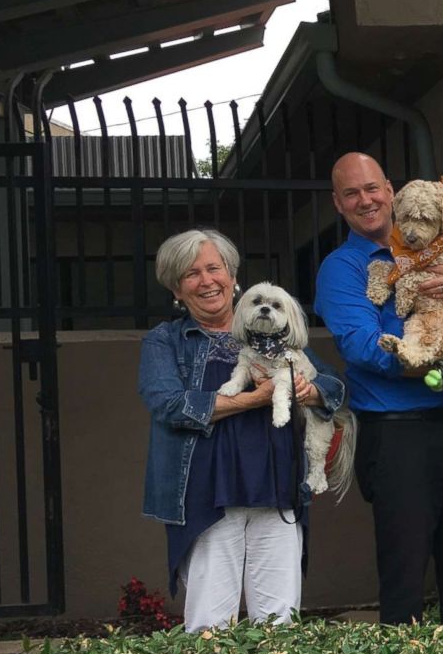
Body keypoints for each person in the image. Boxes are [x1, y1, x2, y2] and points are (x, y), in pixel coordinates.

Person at [313, 152, 443, 629]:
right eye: (352, 193)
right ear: (338, 204)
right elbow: (364, 348)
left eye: (373, 188)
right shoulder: (342, 268)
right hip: (395, 436)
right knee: (404, 580)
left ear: (391, 190)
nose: (366, 201)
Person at [139, 228, 347, 632]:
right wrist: (254, 398)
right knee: (209, 626)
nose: (206, 280)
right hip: (207, 496)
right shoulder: (165, 341)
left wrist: (311, 390)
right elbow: (168, 403)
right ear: (176, 289)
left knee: (280, 622)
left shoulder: (278, 333)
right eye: (191, 274)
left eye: (214, 268)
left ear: (233, 277)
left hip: (277, 488)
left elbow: (333, 386)